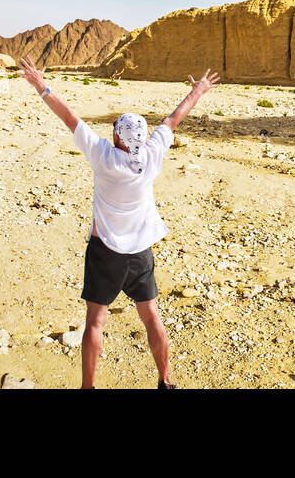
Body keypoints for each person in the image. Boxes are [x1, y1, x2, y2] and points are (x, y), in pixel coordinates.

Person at [20, 55, 220, 389]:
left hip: (105, 252)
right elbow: (174, 118)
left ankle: (88, 387)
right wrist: (198, 91)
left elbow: (68, 116)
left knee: (95, 322)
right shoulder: (152, 153)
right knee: (151, 316)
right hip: (140, 251)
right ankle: (166, 382)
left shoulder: (102, 155)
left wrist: (40, 85)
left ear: (116, 136)